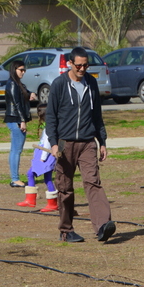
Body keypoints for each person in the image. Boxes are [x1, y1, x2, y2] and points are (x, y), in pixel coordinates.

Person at [46, 47, 115, 243]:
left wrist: (102, 141)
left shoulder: (91, 83)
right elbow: (51, 117)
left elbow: (97, 116)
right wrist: (53, 143)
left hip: (87, 143)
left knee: (93, 182)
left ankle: (103, 226)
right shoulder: (59, 85)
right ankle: (66, 230)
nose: (82, 69)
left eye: (85, 65)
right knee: (65, 188)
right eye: (79, 65)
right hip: (64, 144)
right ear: (70, 64)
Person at [16, 104, 58, 212]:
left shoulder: (50, 127)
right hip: (44, 154)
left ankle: (36, 201)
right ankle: (47, 202)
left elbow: (48, 143)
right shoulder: (49, 125)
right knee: (47, 178)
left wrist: (43, 158)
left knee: (31, 174)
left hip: (46, 155)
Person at [4, 60, 35, 188]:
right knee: (16, 150)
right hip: (15, 119)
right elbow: (16, 104)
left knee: (15, 150)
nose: (23, 72)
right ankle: (15, 179)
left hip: (16, 119)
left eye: (24, 70)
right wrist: (22, 121)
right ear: (14, 70)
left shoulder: (17, 84)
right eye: (20, 70)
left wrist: (30, 94)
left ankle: (15, 178)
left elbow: (24, 94)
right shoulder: (12, 84)